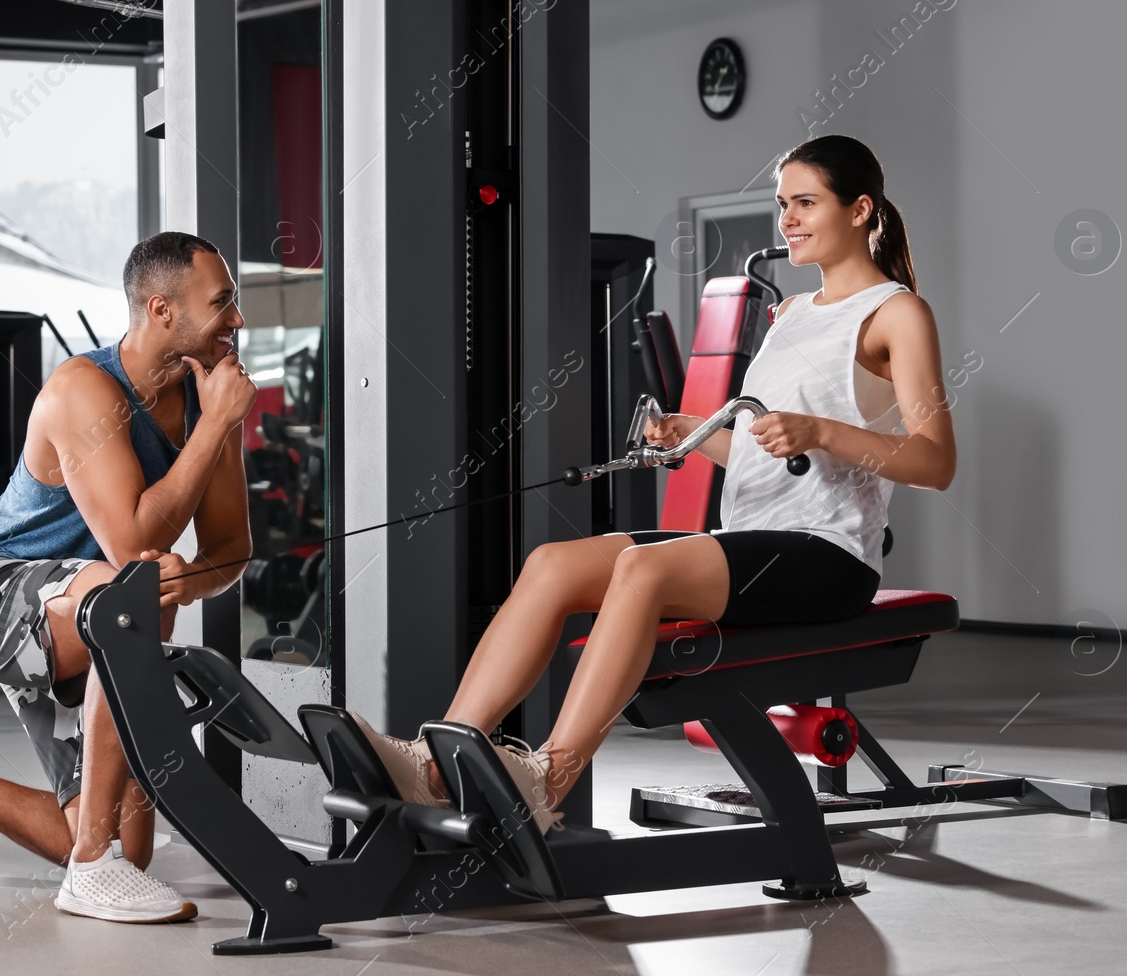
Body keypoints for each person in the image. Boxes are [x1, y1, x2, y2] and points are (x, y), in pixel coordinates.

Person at [348, 134, 957, 835]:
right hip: (753, 542)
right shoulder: (791, 313)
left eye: (806, 203)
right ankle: (432, 762)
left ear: (860, 210)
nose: (787, 219)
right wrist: (694, 435)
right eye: (783, 204)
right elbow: (770, 451)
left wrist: (821, 432)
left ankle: (548, 779)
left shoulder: (896, 313)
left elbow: (934, 460)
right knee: (552, 564)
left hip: (830, 557)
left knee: (642, 567)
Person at [0, 232, 258, 924]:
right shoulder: (83, 390)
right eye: (222, 302)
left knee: (131, 847)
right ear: (162, 309)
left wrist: (183, 583)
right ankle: (90, 871)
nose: (238, 320)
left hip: (90, 614)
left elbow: (231, 548)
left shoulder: (200, 401)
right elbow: (134, 541)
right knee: (129, 591)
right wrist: (217, 424)